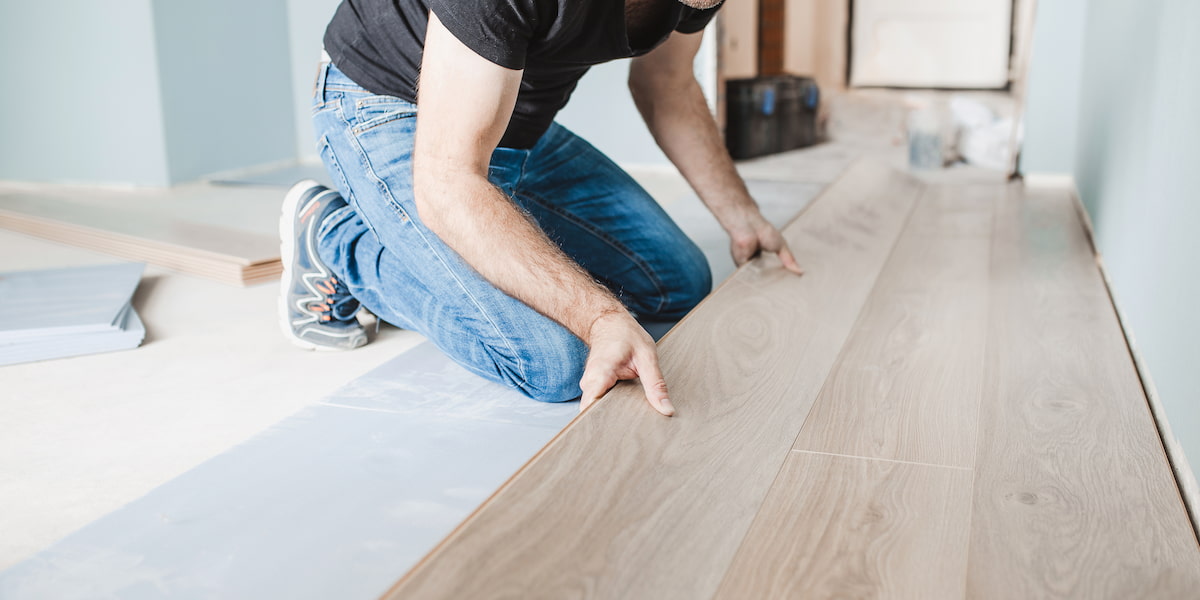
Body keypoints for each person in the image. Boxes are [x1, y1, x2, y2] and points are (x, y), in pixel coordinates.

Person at [279, 0, 803, 417]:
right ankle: (334, 236)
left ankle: (472, 225)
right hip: (392, 108)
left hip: (508, 125)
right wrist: (597, 315)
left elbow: (667, 84)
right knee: (551, 361)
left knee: (678, 281)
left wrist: (742, 214)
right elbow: (448, 178)